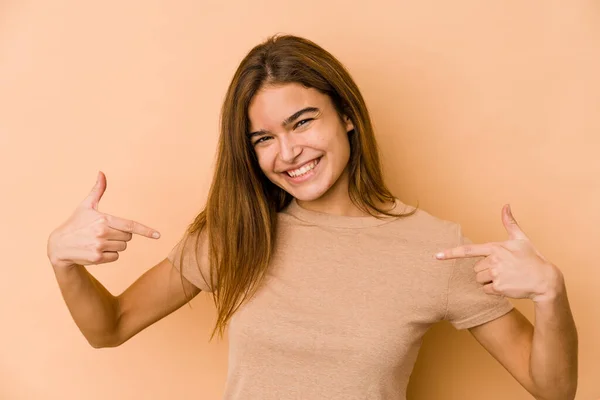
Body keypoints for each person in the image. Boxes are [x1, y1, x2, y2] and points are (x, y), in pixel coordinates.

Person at [47, 34, 578, 400]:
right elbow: (109, 328)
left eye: (302, 122)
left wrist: (551, 295)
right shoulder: (235, 234)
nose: (287, 152)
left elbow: (552, 387)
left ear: (346, 115)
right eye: (263, 139)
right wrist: (62, 261)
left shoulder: (434, 249)